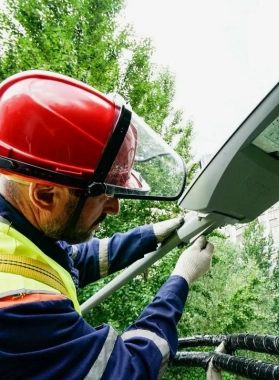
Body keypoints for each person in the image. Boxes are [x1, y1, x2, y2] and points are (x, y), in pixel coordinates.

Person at [0, 70, 214, 379]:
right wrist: (181, 279)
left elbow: (70, 260)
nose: (114, 208)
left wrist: (152, 234)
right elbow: (130, 368)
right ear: (46, 195)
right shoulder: (18, 309)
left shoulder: (20, 229)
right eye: (105, 193)